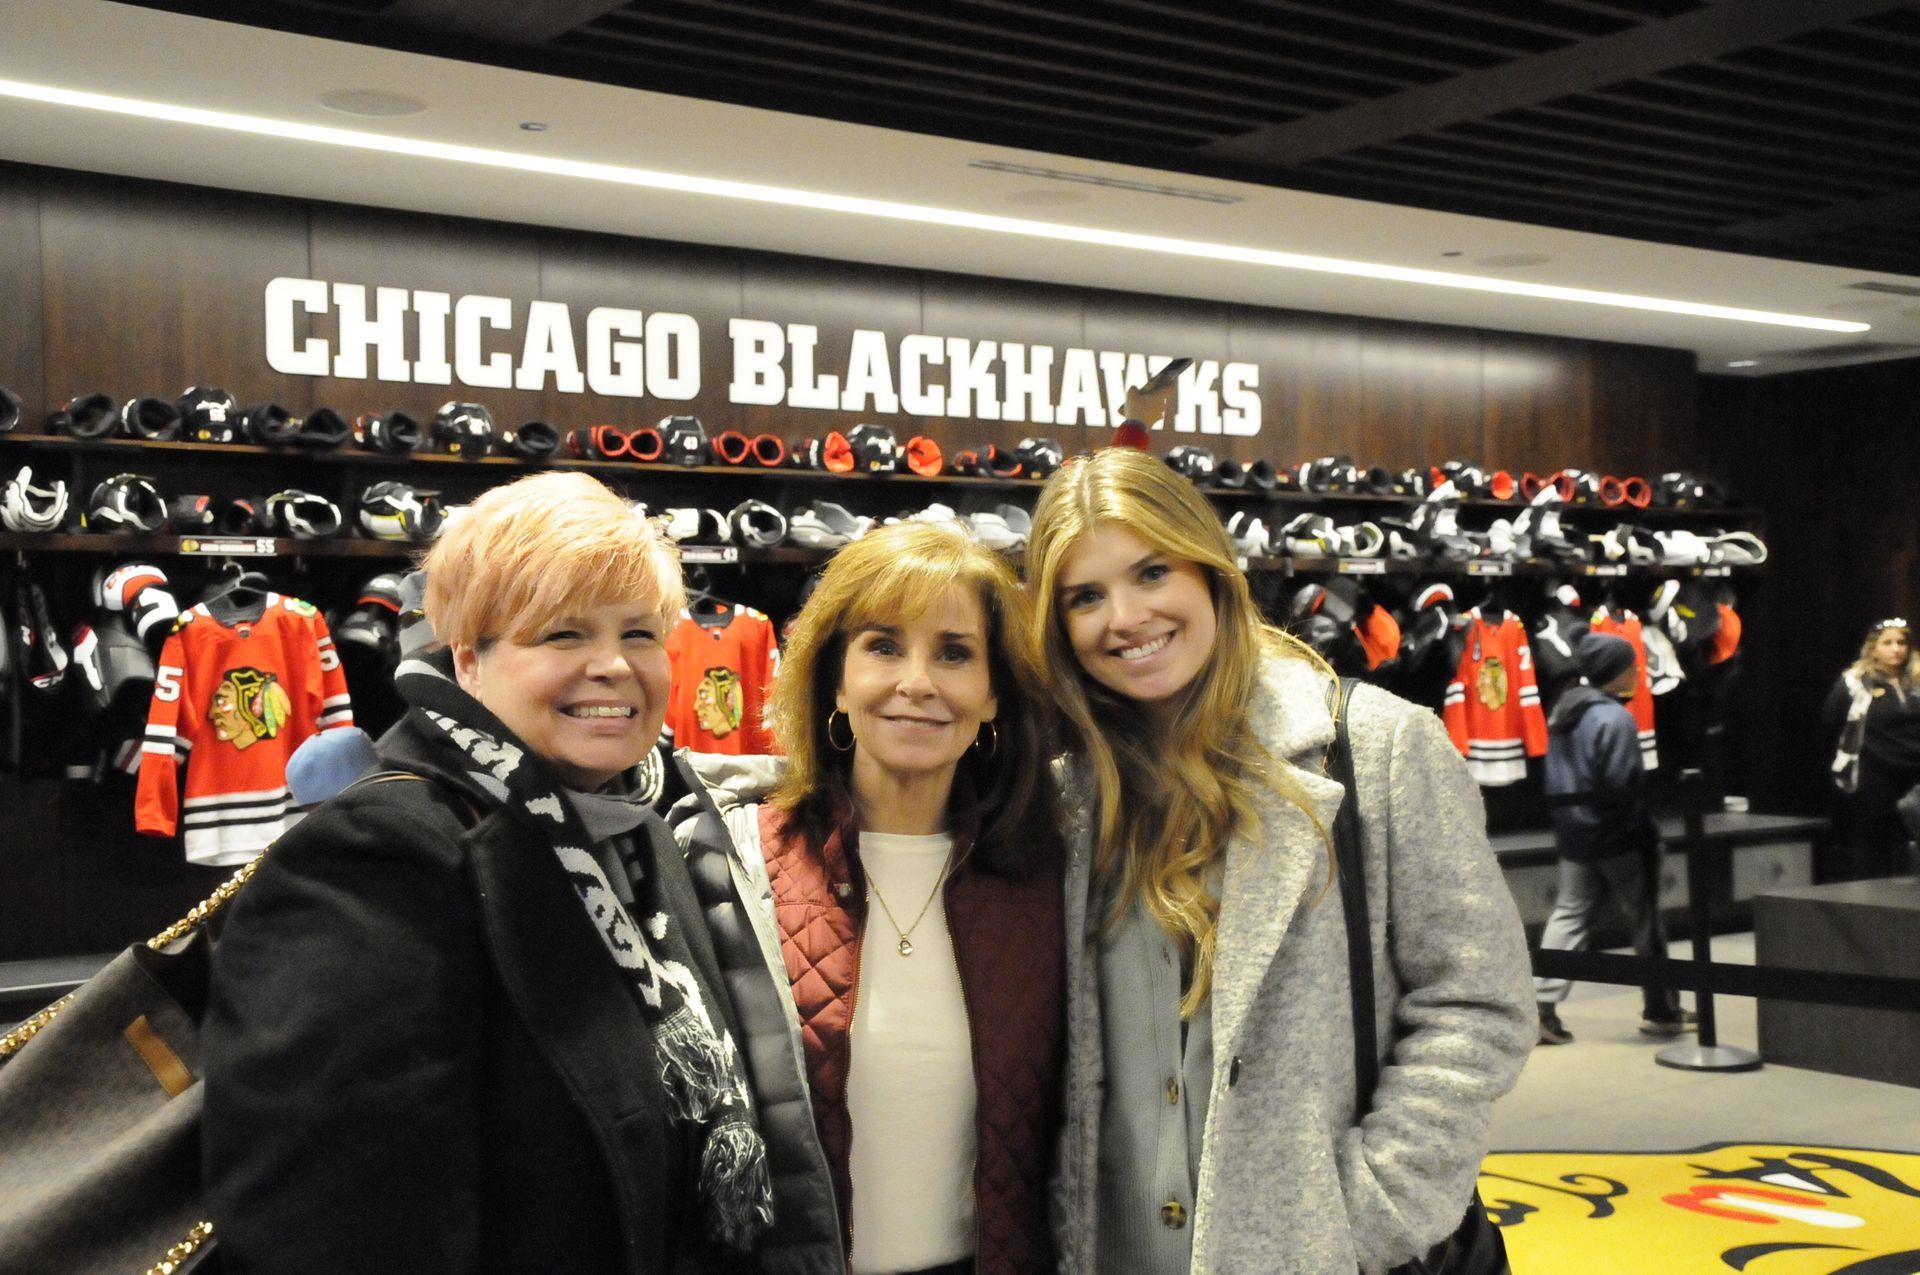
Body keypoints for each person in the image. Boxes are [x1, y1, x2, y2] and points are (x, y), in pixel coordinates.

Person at [203, 471, 837, 1273]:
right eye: (563, 635)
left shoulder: (640, 820)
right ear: (469, 658)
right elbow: (329, 1225)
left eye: (639, 633)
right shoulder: (381, 861)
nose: (612, 665)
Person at [1024, 442, 1534, 1275]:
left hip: (1310, 1249)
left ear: (1211, 571)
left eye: (1151, 572)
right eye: (1086, 595)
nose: (1124, 616)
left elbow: (1480, 1000)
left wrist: (1370, 1213)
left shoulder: (1376, 747)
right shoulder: (1064, 796)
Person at [666, 519, 1066, 1275]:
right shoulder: (729, 862)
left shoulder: (1044, 880)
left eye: (954, 652)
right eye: (884, 646)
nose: (917, 681)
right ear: (836, 682)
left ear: (992, 696)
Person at [1533, 632, 1695, 1046]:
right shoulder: (1615, 718)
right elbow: (1623, 785)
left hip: (1572, 828)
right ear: (1614, 670)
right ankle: (1661, 1009)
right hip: (1617, 834)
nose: (1637, 671)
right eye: (1630, 665)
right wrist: (1640, 831)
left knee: (1569, 914)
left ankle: (1539, 1008)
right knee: (1645, 919)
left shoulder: (1564, 710)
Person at [1822, 616, 1920, 881]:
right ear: (1873, 647)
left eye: (1901, 642)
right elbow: (1830, 719)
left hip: (1915, 773)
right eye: (1887, 643)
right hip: (1876, 772)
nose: (1896, 649)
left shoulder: (1918, 679)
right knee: (1874, 843)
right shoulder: (1855, 682)